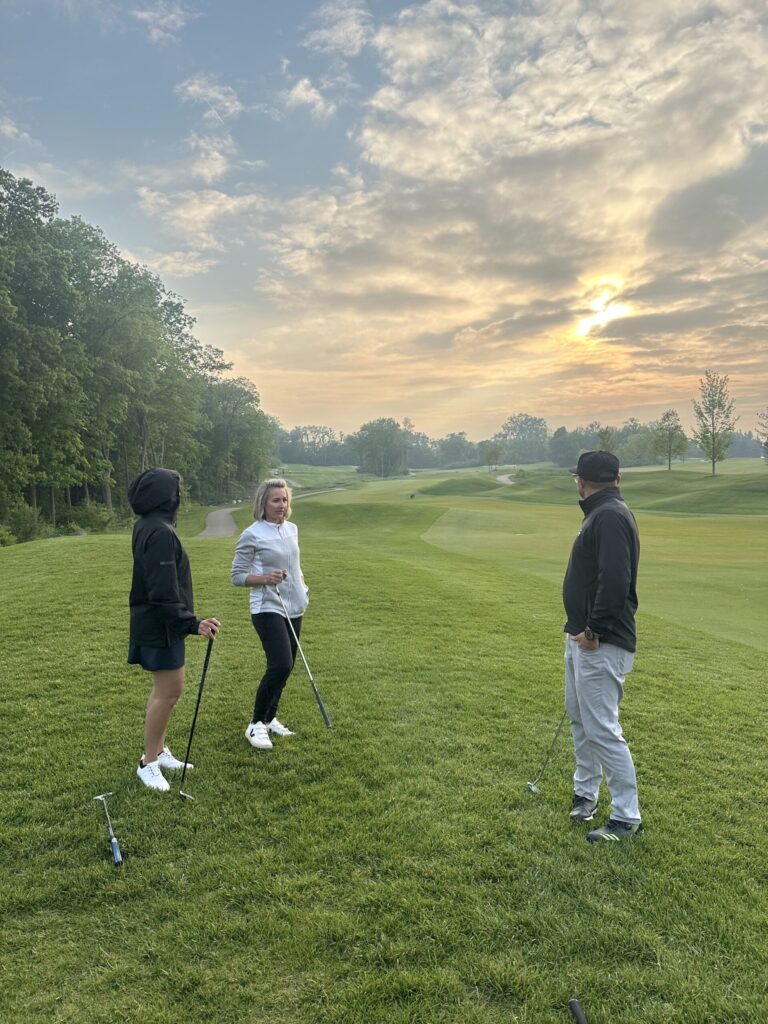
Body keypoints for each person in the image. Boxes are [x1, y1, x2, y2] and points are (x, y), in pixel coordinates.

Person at [562, 451, 642, 842]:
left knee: (602, 728)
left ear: (581, 480)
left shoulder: (608, 515)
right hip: (583, 637)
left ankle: (626, 817)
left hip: (600, 641)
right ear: (617, 477)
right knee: (581, 718)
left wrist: (594, 630)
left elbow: (616, 580)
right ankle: (585, 794)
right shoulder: (602, 511)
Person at [128, 468, 220, 792]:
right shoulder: (160, 532)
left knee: (165, 691)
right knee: (168, 692)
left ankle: (158, 751)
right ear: (168, 497)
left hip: (158, 623)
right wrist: (191, 623)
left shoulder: (148, 526)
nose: (180, 496)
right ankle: (148, 763)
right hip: (160, 625)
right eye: (177, 490)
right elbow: (162, 591)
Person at [231, 478, 309, 750]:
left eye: (285, 500)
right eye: (275, 500)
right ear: (263, 503)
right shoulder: (252, 534)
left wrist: (302, 585)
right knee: (280, 664)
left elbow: (294, 564)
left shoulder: (292, 529)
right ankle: (255, 725)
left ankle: (270, 717)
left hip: (295, 605)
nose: (281, 505)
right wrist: (265, 578)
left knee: (287, 666)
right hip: (267, 606)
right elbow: (237, 577)